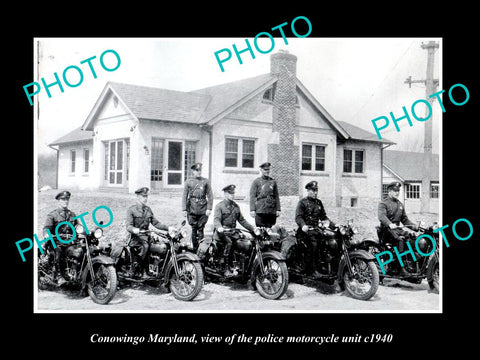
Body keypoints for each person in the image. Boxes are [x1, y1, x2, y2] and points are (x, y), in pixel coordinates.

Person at [126, 187, 170, 279]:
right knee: (145, 246)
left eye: (146, 196)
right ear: (137, 197)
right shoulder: (131, 210)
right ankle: (140, 269)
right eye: (143, 196)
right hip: (135, 238)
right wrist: (135, 230)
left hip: (146, 237)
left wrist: (168, 228)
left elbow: (156, 223)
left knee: (162, 246)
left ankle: (160, 269)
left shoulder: (148, 210)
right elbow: (128, 226)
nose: (145, 198)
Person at [295, 181, 336, 278]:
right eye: (313, 190)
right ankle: (312, 270)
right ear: (308, 190)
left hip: (316, 230)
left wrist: (334, 225)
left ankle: (325, 267)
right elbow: (298, 217)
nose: (315, 193)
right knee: (314, 244)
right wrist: (303, 225)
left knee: (328, 243)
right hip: (305, 231)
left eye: (316, 190)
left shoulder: (318, 202)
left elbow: (324, 217)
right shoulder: (302, 202)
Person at [213, 184, 256, 277]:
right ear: (225, 194)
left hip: (233, 233)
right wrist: (219, 227)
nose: (232, 195)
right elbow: (216, 219)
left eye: (233, 193)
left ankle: (243, 267)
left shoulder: (236, 206)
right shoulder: (219, 206)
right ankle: (226, 268)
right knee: (229, 243)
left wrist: (253, 229)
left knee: (246, 243)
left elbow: (242, 220)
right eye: (229, 193)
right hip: (222, 233)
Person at [378, 181, 418, 275]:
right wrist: (389, 224)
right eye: (394, 190)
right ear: (389, 191)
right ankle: (401, 269)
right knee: (400, 240)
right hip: (386, 230)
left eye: (398, 191)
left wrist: (415, 227)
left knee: (411, 238)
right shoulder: (384, 203)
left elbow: (405, 220)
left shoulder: (400, 204)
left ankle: (412, 265)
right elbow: (382, 217)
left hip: (397, 230)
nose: (397, 192)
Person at [43, 191, 81, 285]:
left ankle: (75, 274)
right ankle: (59, 276)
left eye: (67, 199)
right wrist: (47, 234)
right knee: (58, 251)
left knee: (78, 251)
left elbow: (78, 226)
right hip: (56, 242)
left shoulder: (72, 214)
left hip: (69, 243)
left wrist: (81, 230)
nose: (65, 201)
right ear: (58, 201)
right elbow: (46, 228)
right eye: (63, 199)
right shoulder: (53, 215)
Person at [182, 163, 213, 250]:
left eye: (200, 170)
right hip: (192, 208)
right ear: (192, 171)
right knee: (194, 228)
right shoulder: (189, 181)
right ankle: (195, 249)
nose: (199, 172)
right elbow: (184, 196)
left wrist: (209, 208)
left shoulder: (205, 181)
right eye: (196, 170)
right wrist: (184, 209)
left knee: (201, 229)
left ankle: (201, 250)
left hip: (203, 208)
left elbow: (210, 195)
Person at [249, 162, 281, 227]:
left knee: (270, 230)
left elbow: (276, 196)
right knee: (260, 231)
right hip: (260, 210)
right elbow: (252, 196)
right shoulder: (256, 182)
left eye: (268, 170)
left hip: (271, 210)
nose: (267, 171)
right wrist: (252, 209)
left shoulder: (273, 181)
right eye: (265, 170)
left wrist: (278, 209)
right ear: (261, 170)